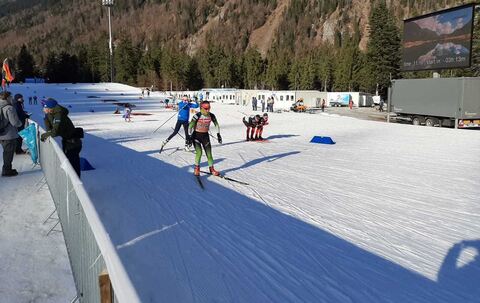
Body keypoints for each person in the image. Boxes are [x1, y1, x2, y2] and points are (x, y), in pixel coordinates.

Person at [40, 98, 83, 178]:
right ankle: (73, 181)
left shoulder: (59, 115)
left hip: (73, 143)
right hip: (68, 142)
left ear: (50, 108)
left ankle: (77, 186)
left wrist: (44, 135)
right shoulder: (53, 114)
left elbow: (55, 132)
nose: (43, 109)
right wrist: (46, 116)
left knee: (73, 166)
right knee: (70, 165)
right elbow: (49, 129)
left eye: (45, 108)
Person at [188, 101, 222, 176]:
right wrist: (189, 137)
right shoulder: (197, 116)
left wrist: (218, 134)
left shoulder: (212, 115)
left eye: (209, 108)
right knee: (199, 153)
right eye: (206, 108)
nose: (208, 110)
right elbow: (190, 126)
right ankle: (197, 168)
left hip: (205, 136)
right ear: (201, 108)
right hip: (196, 136)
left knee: (209, 154)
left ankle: (211, 169)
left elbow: (216, 124)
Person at [0, 91, 22, 177]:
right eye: (11, 96)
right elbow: (15, 122)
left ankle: (6, 169)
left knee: (6, 152)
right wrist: (20, 123)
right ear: (7, 98)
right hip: (9, 134)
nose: (12, 98)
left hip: (1, 134)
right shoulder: (9, 108)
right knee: (8, 153)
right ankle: (7, 170)